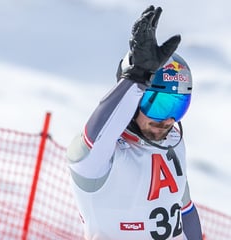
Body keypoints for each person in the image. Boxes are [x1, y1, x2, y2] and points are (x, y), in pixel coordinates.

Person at [66, 5, 203, 240]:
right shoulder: (100, 161)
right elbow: (93, 139)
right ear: (135, 97)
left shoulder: (173, 144)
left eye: (177, 106)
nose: (168, 120)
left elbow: (185, 213)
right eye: (158, 104)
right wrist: (136, 78)